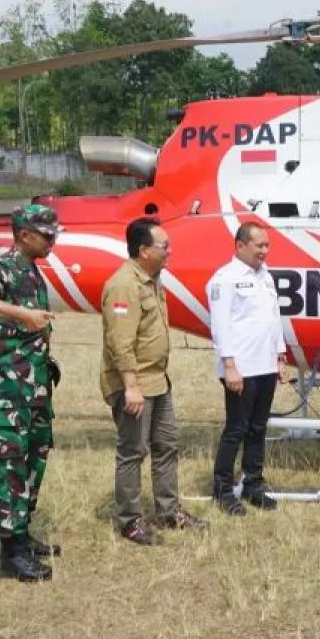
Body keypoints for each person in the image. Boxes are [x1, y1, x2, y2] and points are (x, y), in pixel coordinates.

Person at [0, 203, 64, 582]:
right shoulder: (0, 268)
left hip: (32, 388)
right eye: (46, 234)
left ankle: (22, 534)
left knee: (33, 461)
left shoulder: (33, 272)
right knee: (8, 466)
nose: (53, 240)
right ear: (24, 235)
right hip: (5, 391)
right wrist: (23, 316)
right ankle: (11, 554)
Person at [100, 217, 207, 546]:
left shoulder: (153, 279)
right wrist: (130, 386)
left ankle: (168, 510)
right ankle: (129, 521)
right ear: (143, 249)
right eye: (164, 246)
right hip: (134, 384)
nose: (170, 251)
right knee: (133, 451)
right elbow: (120, 342)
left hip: (158, 380)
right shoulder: (124, 285)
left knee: (167, 445)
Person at [206, 222, 290, 516]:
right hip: (240, 368)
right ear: (240, 245)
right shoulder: (224, 279)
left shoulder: (265, 276)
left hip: (265, 365)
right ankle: (223, 488)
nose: (264, 251)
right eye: (259, 246)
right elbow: (220, 326)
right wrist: (229, 366)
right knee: (236, 429)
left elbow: (273, 318)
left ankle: (253, 484)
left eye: (267, 246)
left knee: (258, 429)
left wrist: (280, 357)